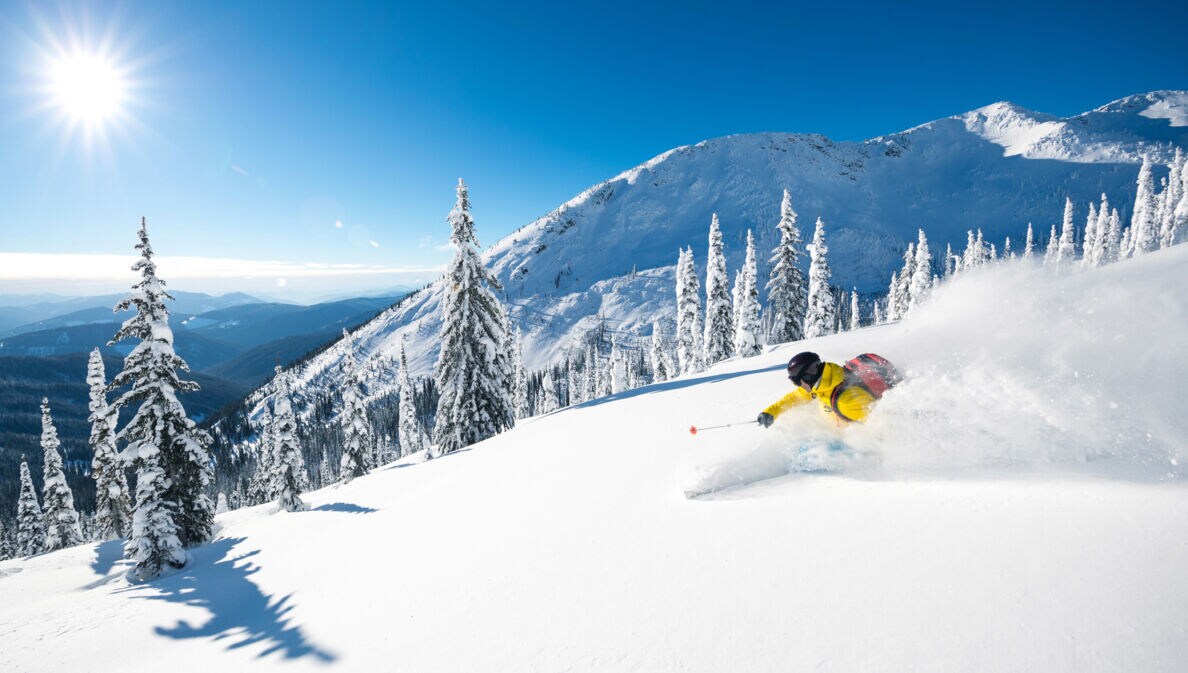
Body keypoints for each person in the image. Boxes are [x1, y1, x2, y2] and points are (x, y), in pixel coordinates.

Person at [757, 351, 883, 427]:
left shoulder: (848, 401)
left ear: (808, 377)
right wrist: (771, 412)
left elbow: (879, 427)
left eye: (797, 382)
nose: (799, 387)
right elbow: (795, 397)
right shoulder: (824, 384)